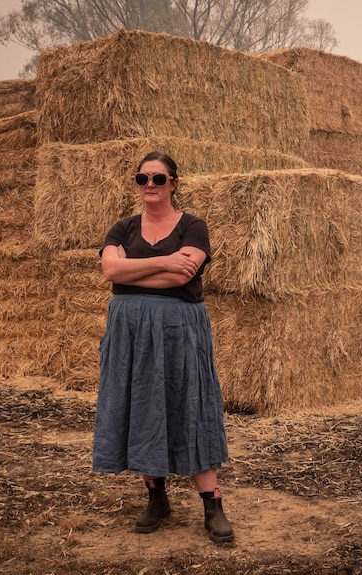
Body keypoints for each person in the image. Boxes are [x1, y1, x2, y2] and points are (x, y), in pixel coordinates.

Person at [92, 151, 233, 543]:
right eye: (142, 179)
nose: (149, 185)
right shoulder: (122, 228)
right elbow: (110, 271)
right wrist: (166, 262)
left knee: (190, 404)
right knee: (142, 405)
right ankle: (157, 498)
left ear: (174, 183)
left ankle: (212, 504)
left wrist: (134, 273)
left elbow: (183, 277)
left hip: (179, 327)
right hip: (131, 330)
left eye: (158, 178)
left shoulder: (193, 226)